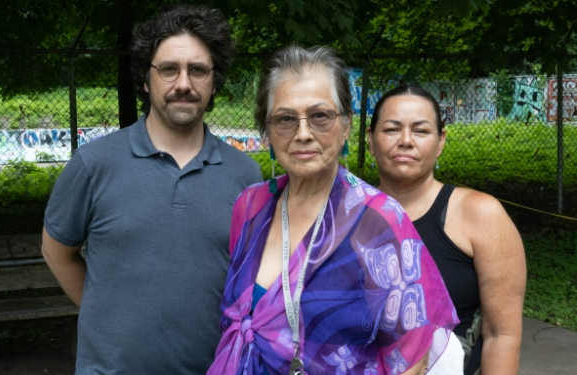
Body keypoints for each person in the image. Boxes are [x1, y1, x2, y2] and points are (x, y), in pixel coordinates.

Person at [208, 45, 460, 375]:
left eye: (320, 116)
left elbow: (411, 359)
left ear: (345, 127)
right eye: (285, 119)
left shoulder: (377, 221)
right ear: (267, 131)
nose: (302, 133)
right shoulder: (251, 206)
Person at [41, 5, 262, 374]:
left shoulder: (245, 174)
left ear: (214, 81)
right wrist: (108, 318)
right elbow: (56, 252)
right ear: (146, 79)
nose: (183, 84)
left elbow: (251, 278)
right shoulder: (94, 164)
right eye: (168, 69)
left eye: (198, 70)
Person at [367, 85, 527, 375]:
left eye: (421, 130)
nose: (405, 141)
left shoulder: (481, 214)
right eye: (391, 129)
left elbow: (501, 335)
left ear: (440, 141)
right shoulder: (347, 216)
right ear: (370, 139)